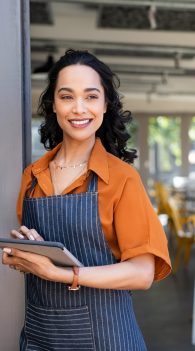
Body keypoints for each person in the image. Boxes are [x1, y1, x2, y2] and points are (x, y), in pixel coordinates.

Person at [2, 49, 171, 351]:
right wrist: (24, 257)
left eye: (91, 96)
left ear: (106, 105)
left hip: (106, 336)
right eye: (67, 97)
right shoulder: (32, 177)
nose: (79, 108)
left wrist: (62, 273)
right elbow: (40, 255)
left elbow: (143, 273)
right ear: (53, 105)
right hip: (42, 336)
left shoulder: (121, 179)